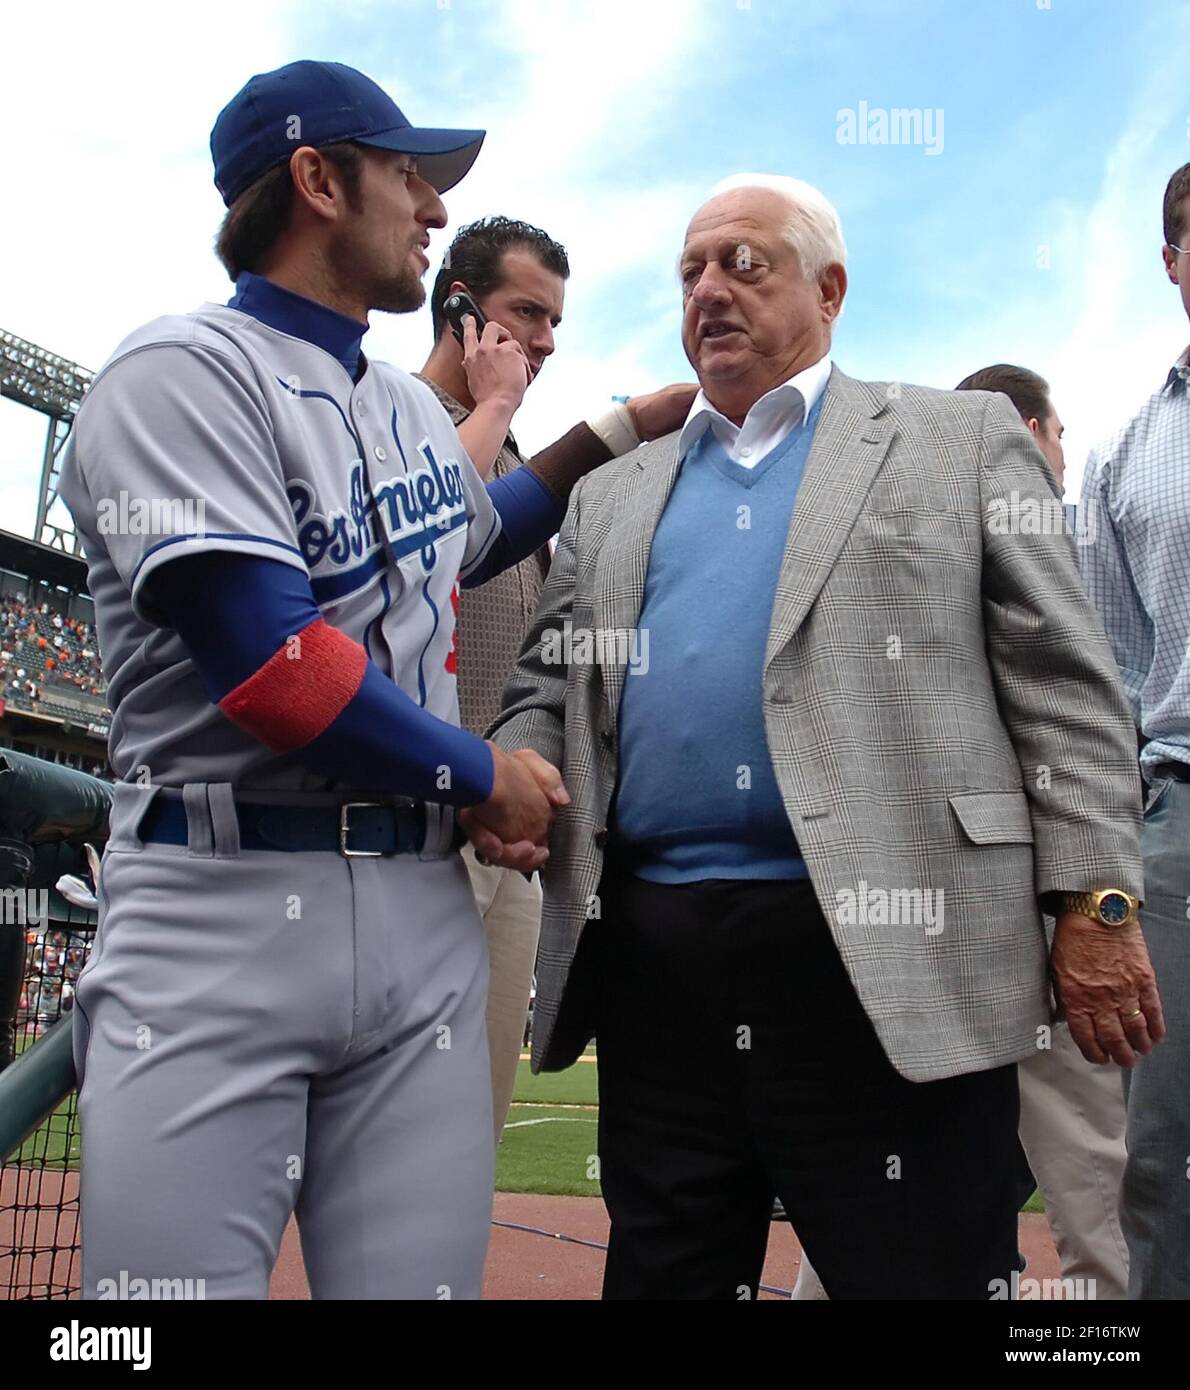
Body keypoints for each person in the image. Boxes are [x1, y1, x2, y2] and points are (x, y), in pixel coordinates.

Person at [483, 174, 1162, 1300]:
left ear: (829, 287)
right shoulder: (613, 493)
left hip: (891, 946)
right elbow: (543, 682)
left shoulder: (959, 440)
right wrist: (524, 750)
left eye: (741, 262)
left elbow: (1068, 688)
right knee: (665, 1275)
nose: (707, 289)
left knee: (922, 1273)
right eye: (689, 271)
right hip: (656, 962)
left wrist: (1095, 901)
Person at [59, 60, 570, 1301]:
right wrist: (481, 773)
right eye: (411, 175)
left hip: (418, 912)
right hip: (217, 907)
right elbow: (274, 667)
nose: (435, 210)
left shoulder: (395, 402)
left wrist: (625, 429)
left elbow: (477, 529)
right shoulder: (178, 372)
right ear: (316, 180)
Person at [418, 215, 696, 1143]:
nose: (541, 340)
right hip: (414, 833)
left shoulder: (521, 476)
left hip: (510, 841)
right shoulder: (389, 419)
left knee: (468, 1139)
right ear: (460, 307)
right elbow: (432, 546)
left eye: (554, 322)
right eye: (525, 312)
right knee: (389, 1135)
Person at [1079, 160, 1190, 1300]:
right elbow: (1103, 679)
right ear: (1170, 262)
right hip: (1177, 815)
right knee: (1159, 1160)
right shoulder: (1118, 457)